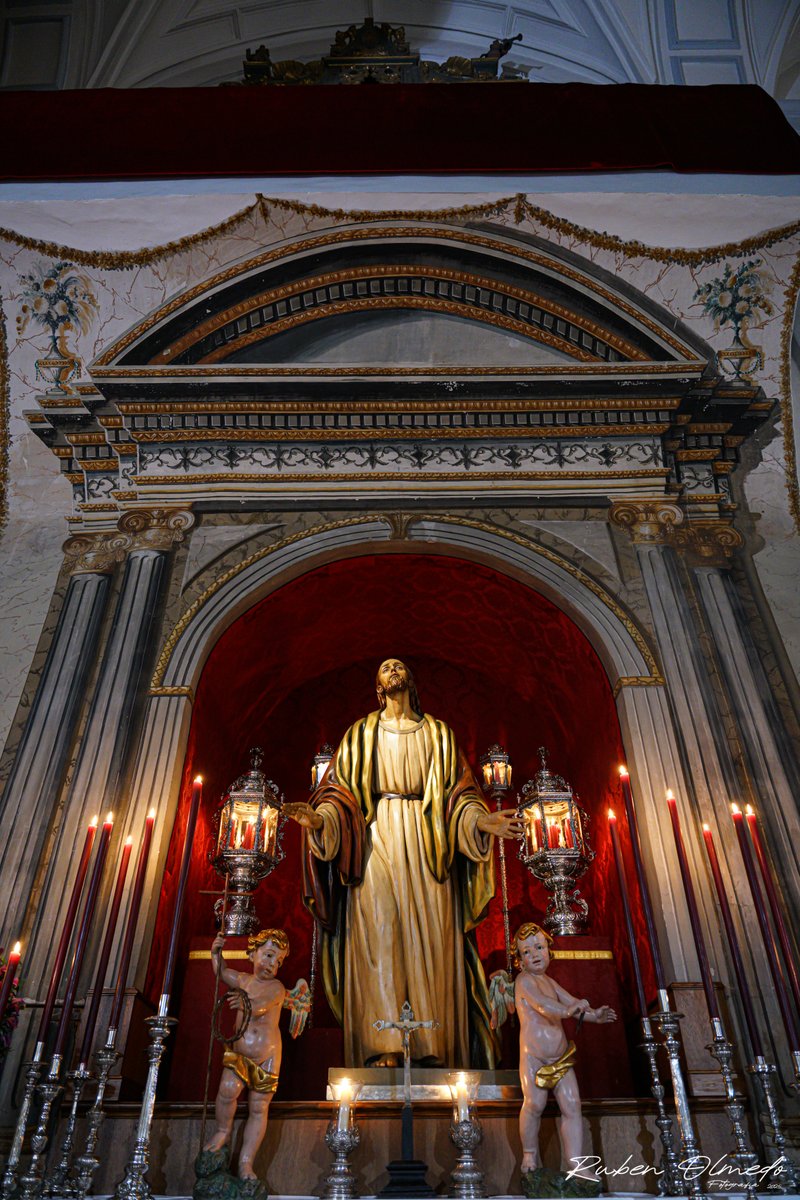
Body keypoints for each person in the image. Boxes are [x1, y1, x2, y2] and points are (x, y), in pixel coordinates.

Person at [284, 658, 521, 1068]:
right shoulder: (361, 733)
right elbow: (338, 794)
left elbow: (459, 796)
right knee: (379, 933)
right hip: (374, 838)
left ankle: (432, 1045)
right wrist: (320, 821)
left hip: (430, 840)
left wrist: (480, 821)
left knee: (432, 936)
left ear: (411, 679)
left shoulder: (438, 733)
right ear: (378, 687)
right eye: (385, 668)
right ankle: (384, 1046)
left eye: (398, 666)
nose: (392, 670)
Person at [491, 922, 616, 1182]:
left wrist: (595, 1016)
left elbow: (572, 1002)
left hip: (560, 1057)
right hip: (534, 1058)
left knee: (572, 1105)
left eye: (539, 947)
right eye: (526, 952)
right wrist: (568, 1011)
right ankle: (529, 1154)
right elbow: (544, 1005)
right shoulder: (524, 982)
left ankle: (575, 1163)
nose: (535, 954)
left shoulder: (550, 981)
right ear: (519, 960)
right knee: (534, 1104)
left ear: (549, 950)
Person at [203, 929, 309, 1181]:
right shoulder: (243, 980)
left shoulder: (277, 988)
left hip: (267, 1057)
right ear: (252, 954)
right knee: (227, 1091)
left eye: (278, 960)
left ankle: (246, 1163)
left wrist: (246, 1004)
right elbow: (221, 972)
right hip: (240, 1052)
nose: (273, 963)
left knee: (259, 1107)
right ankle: (222, 1131)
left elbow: (261, 1005)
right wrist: (216, 953)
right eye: (269, 955)